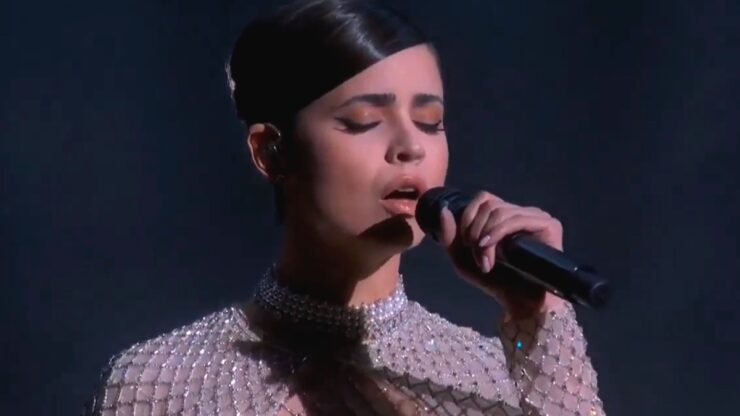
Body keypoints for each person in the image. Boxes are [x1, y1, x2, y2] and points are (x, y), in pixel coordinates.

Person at [86, 0, 605, 414]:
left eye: (430, 123)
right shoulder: (156, 383)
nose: (411, 147)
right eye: (362, 121)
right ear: (271, 151)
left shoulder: (489, 376)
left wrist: (536, 319)